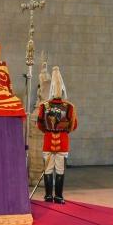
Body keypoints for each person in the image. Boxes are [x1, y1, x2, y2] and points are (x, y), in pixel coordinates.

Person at [36, 66, 77, 204]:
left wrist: (49, 131)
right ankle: (58, 197)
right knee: (60, 170)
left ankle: (48, 196)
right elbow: (73, 125)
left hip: (48, 140)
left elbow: (39, 124)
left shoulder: (44, 106)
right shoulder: (69, 107)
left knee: (47, 170)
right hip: (63, 142)